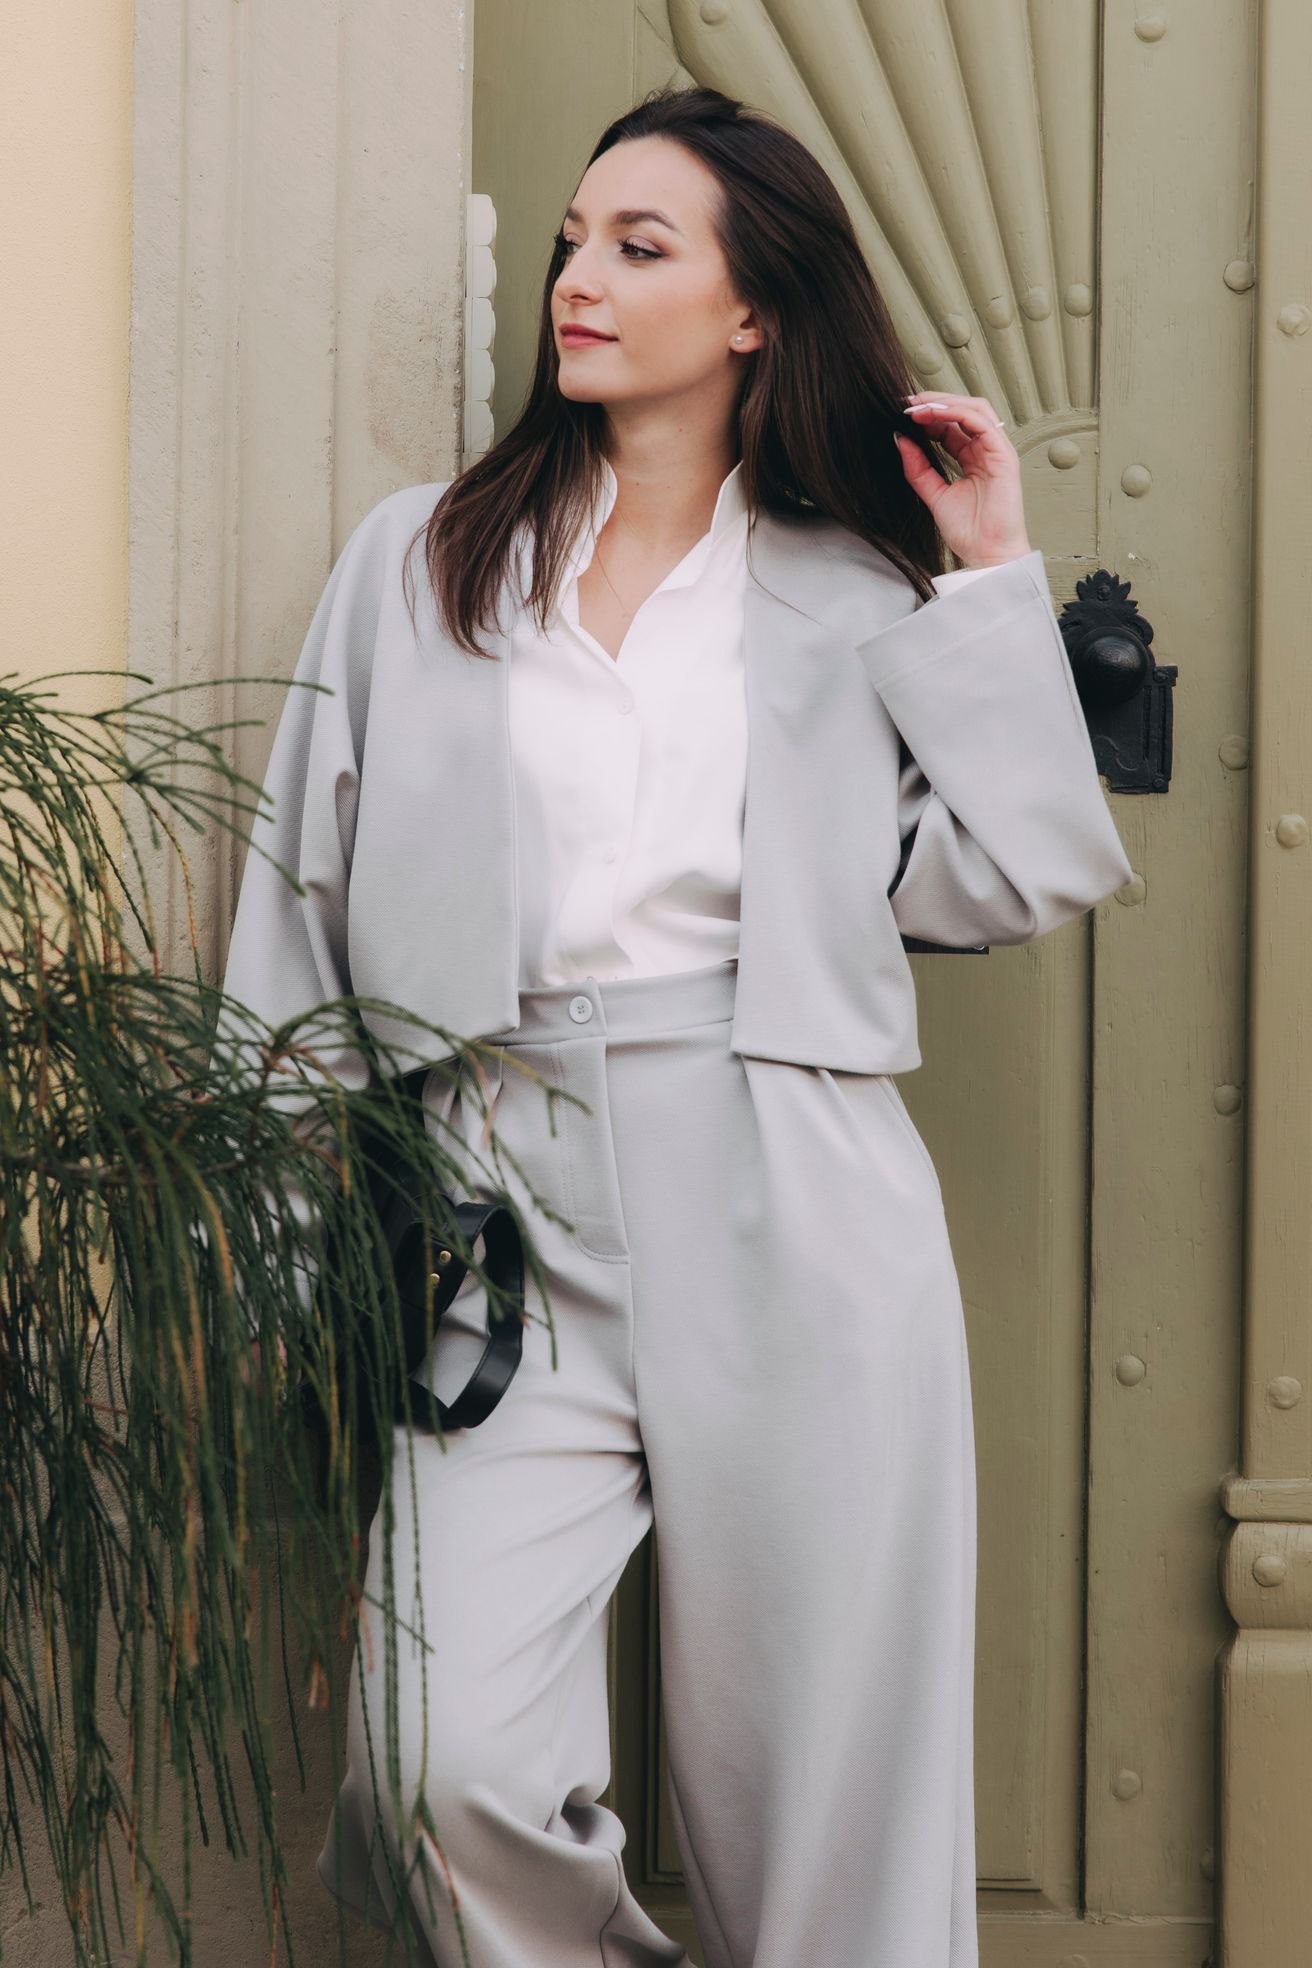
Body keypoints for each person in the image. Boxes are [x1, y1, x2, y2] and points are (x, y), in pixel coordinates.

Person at [221, 83, 1132, 1968]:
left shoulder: (853, 591)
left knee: (836, 1814)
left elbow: (1019, 869)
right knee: (435, 1765)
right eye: (575, 239)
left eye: (642, 248)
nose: (581, 278)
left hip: (790, 1179)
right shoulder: (422, 562)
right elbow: (301, 908)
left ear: (753, 313)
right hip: (497, 1204)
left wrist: (986, 572)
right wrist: (290, 1232)